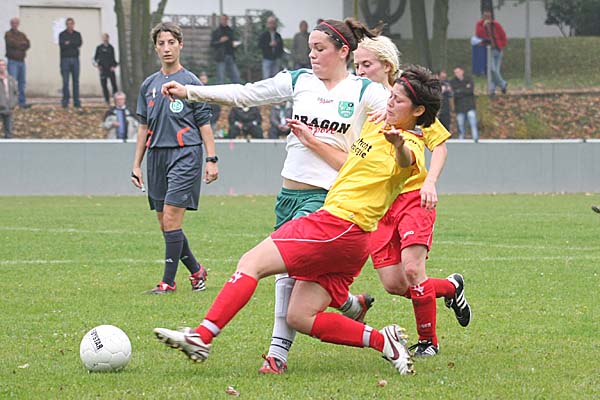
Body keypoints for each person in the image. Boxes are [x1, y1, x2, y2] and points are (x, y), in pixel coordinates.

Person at [153, 65, 443, 376]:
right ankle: (385, 342)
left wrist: (398, 143)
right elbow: (351, 159)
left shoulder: (411, 146)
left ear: (418, 111)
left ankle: (202, 337)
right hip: (354, 239)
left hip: (339, 224)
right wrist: (313, 140)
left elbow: (405, 160)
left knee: (251, 262)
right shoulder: (377, 122)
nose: (389, 102)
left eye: (398, 100)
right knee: (300, 316)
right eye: (391, 95)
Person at [354, 36, 470, 358]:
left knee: (412, 270)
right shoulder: (365, 103)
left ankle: (428, 342)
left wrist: (430, 182)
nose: (359, 72)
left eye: (366, 65)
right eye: (356, 65)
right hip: (381, 204)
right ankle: (451, 287)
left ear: (385, 66)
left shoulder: (413, 101)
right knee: (394, 283)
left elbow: (439, 147)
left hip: (412, 199)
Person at [131, 22, 218, 294]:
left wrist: (212, 159)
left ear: (180, 44)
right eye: (161, 43)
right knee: (165, 223)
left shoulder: (191, 83)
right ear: (155, 48)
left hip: (185, 154)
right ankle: (197, 271)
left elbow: (204, 124)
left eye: (171, 42)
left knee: (171, 219)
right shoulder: (149, 85)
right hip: (156, 156)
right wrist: (136, 164)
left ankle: (168, 283)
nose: (166, 48)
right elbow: (143, 127)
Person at [475, 9, 507, 96]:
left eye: (489, 16)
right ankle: (503, 84)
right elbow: (478, 35)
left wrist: (502, 45)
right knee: (492, 69)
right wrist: (484, 27)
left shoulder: (496, 24)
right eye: (485, 16)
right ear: (483, 17)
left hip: (498, 50)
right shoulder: (479, 25)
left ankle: (492, 90)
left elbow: (503, 35)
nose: (487, 18)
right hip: (489, 50)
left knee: (496, 70)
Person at [4, 17, 30, 108]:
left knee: (22, 82)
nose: (15, 25)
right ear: (11, 24)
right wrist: (21, 44)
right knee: (13, 82)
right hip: (12, 62)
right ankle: (12, 103)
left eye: (16, 23)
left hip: (22, 61)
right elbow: (11, 43)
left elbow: (28, 44)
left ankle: (22, 102)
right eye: (13, 23)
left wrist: (19, 44)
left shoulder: (22, 34)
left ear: (18, 24)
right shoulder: (8, 34)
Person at [450, 66, 478, 141]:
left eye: (458, 72)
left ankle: (475, 137)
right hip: (459, 106)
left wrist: (460, 90)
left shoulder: (469, 79)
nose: (457, 74)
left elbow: (470, 91)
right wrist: (464, 89)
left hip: (470, 105)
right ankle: (461, 138)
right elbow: (455, 93)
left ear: (462, 71)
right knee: (460, 124)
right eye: (455, 72)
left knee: (472, 120)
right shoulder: (453, 81)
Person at [59, 17, 82, 108]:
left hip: (75, 59)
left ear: (73, 24)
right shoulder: (62, 34)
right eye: (68, 24)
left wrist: (69, 43)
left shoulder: (77, 34)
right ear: (66, 25)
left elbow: (79, 43)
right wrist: (72, 44)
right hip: (65, 60)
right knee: (65, 81)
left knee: (76, 81)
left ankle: (76, 101)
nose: (70, 25)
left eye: (71, 24)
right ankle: (65, 101)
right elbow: (62, 45)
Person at [210, 15, 241, 84]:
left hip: (231, 55)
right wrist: (220, 41)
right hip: (221, 57)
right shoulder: (217, 31)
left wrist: (235, 44)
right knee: (220, 77)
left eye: (225, 19)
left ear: (227, 20)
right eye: (222, 19)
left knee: (236, 77)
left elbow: (235, 41)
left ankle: (237, 90)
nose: (224, 21)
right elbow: (212, 44)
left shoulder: (231, 31)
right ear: (220, 20)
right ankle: (219, 90)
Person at [93, 33, 119, 104]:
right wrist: (98, 66)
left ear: (108, 38)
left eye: (106, 37)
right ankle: (107, 100)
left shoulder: (111, 48)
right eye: (103, 38)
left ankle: (116, 99)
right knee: (104, 85)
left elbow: (113, 59)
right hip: (103, 69)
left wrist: (114, 66)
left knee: (114, 85)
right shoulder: (99, 48)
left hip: (110, 68)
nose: (105, 39)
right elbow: (95, 59)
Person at [0, 58, 18, 138]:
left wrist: (13, 103)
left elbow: (15, 93)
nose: (1, 67)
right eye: (0, 65)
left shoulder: (10, 79)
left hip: (9, 108)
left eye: (3, 65)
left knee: (9, 131)